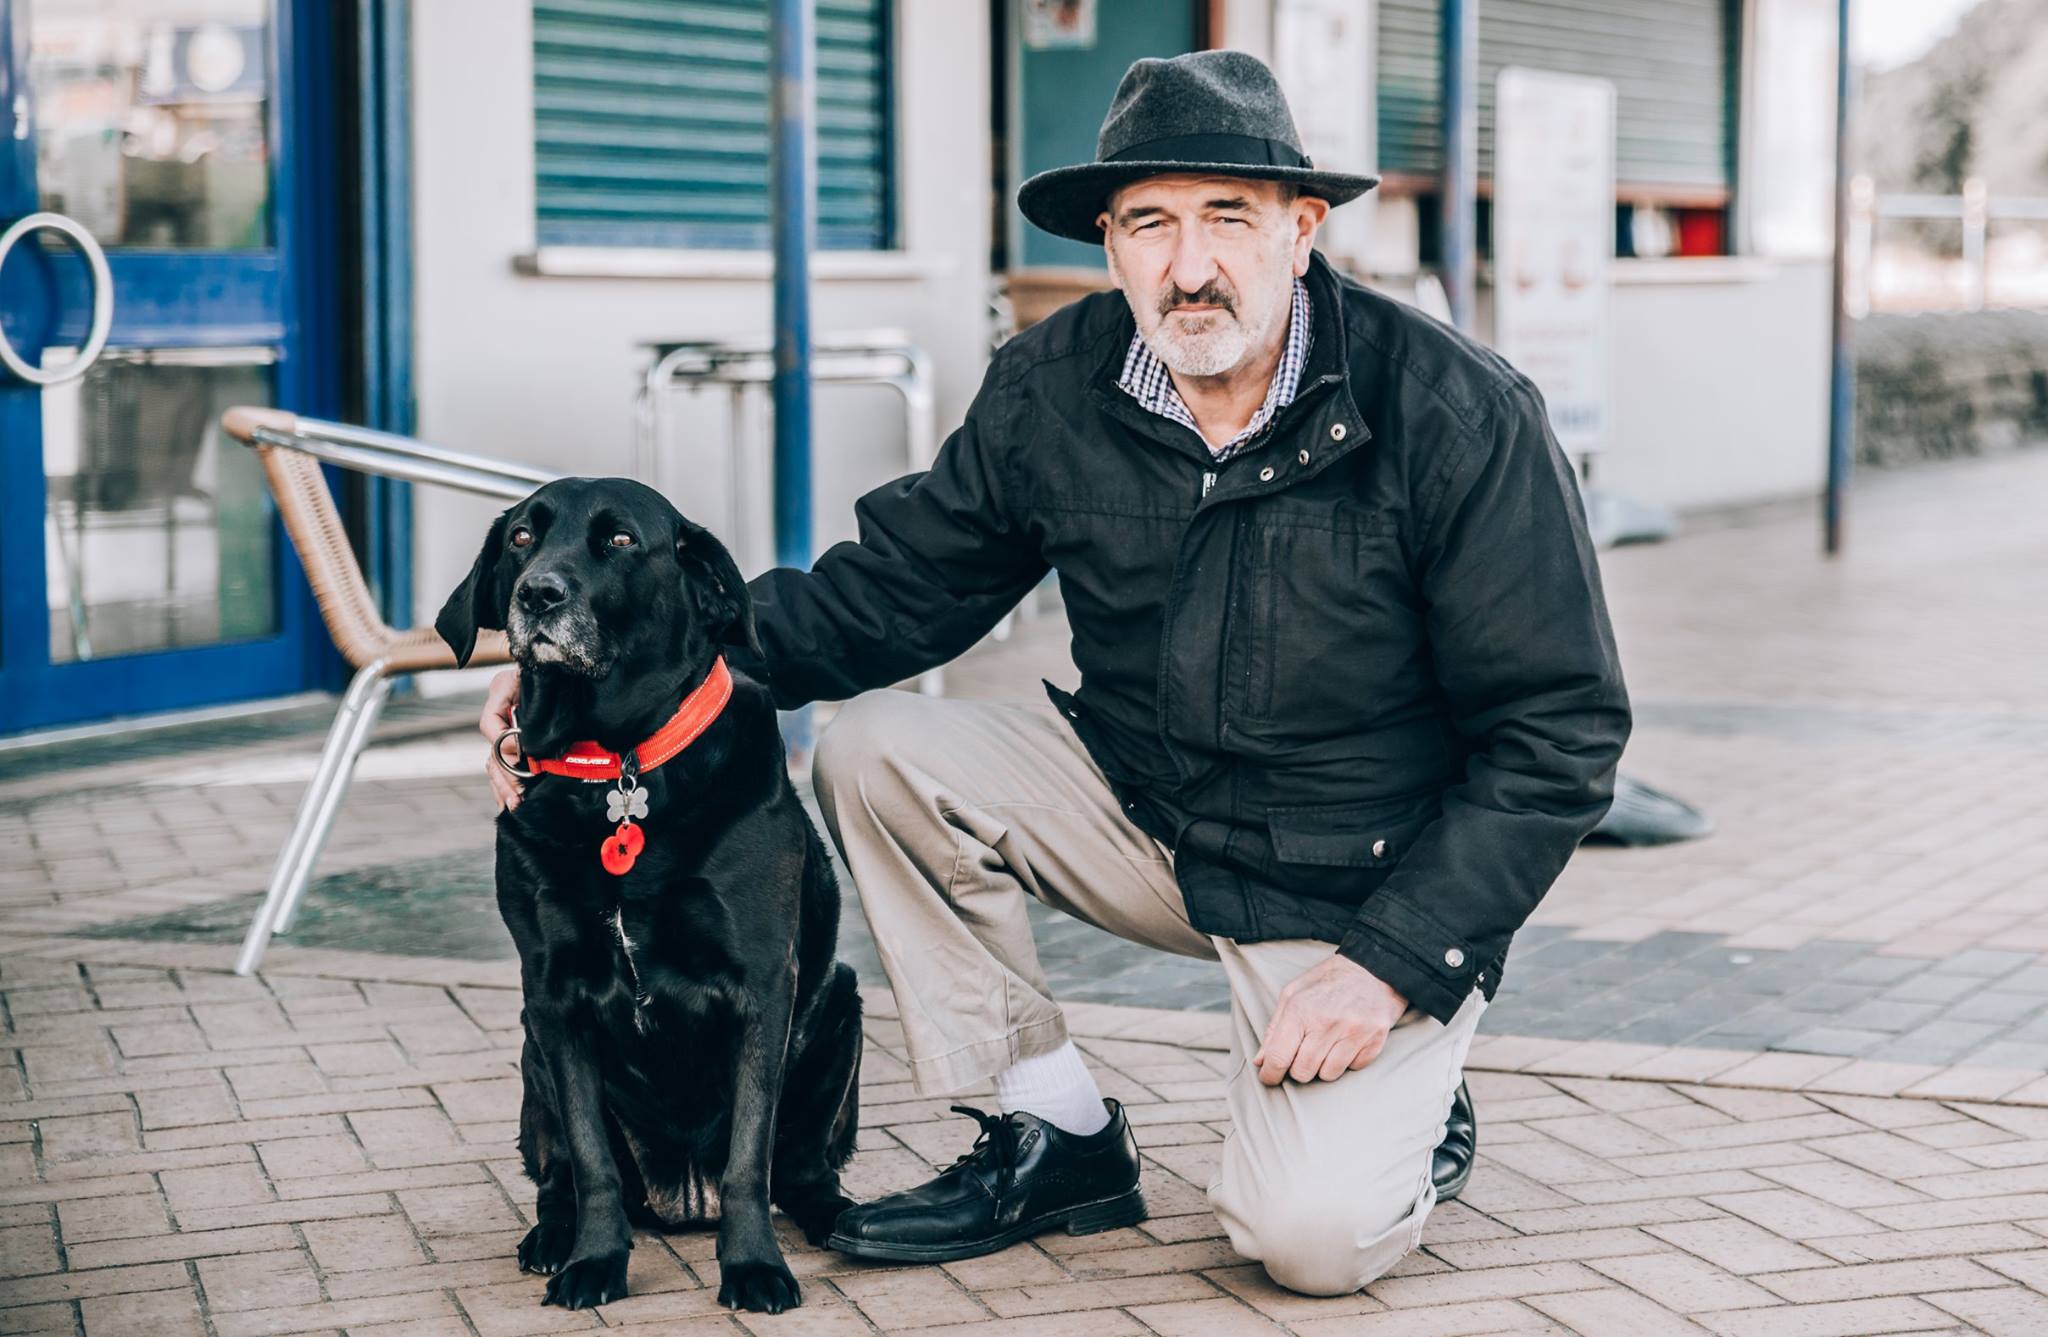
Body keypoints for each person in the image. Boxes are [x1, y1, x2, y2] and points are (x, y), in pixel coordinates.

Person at [481, 50, 1629, 1295]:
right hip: (1146, 811)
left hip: (1357, 881)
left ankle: (1413, 1093)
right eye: (1148, 223)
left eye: (1226, 219)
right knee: (874, 752)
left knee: (1304, 1242)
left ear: (1300, 231)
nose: (1188, 266)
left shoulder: (1454, 412)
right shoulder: (1053, 385)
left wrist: (1396, 961)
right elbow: (894, 590)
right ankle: (1057, 1132)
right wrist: (609, 683)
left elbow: (1555, 735)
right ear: (1108, 243)